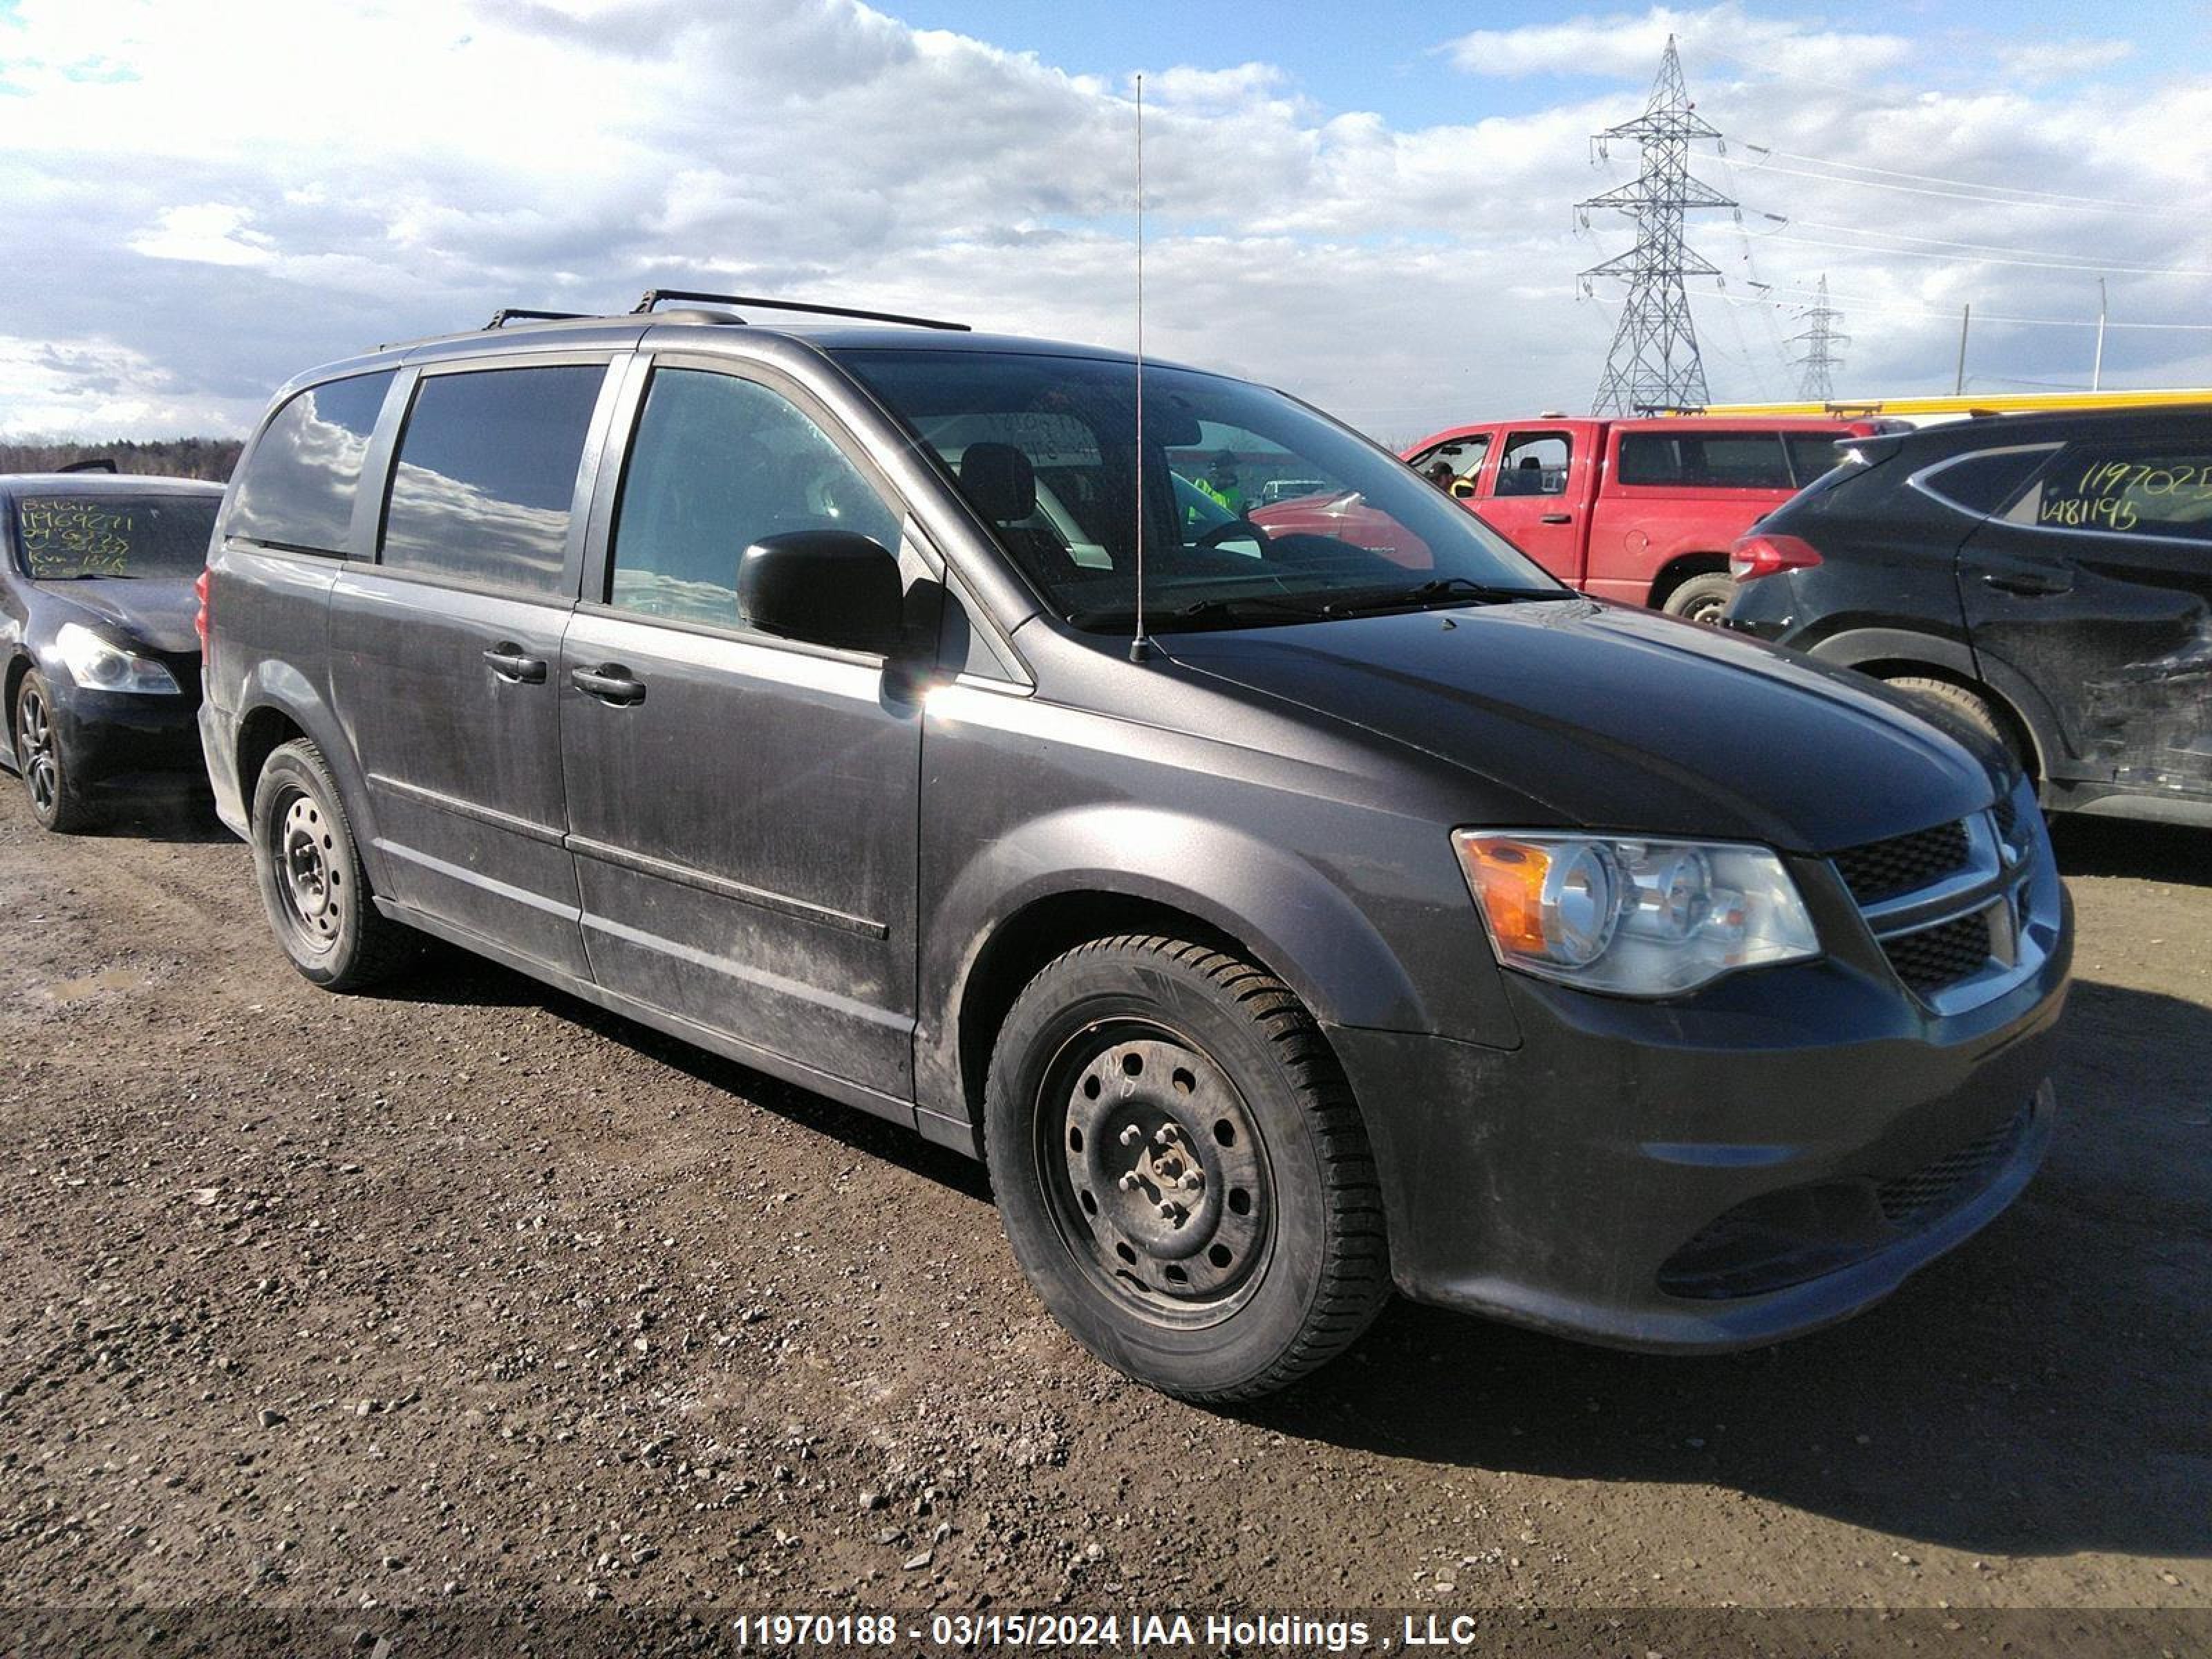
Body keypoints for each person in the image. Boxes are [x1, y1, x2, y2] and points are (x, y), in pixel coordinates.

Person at [1193, 451, 1246, 516]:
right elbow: (1195, 516)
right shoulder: (1200, 485)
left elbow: (1241, 514)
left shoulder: (1235, 488)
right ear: (1219, 468)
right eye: (1231, 466)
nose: (1234, 469)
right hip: (1204, 525)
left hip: (1231, 525)